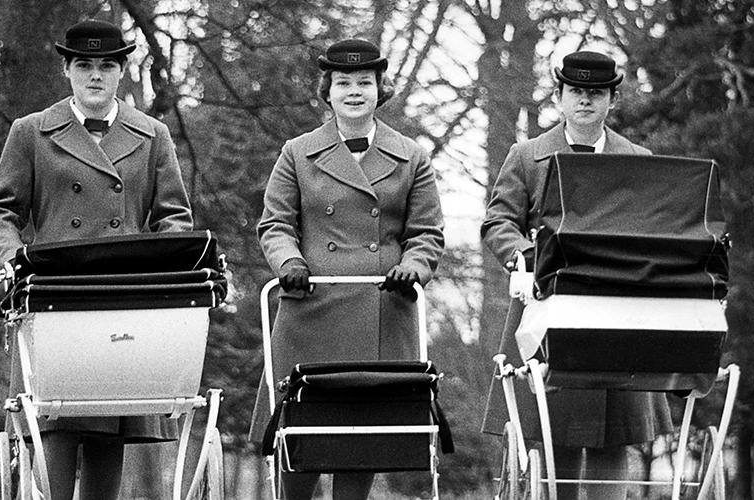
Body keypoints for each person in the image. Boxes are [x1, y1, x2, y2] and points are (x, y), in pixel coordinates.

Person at [0, 19, 193, 500]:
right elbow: (0, 213)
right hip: (53, 300)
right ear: (67, 70)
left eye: (107, 65)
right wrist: (17, 263)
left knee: (106, 437)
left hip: (120, 304)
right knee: (51, 438)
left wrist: (156, 269)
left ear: (121, 71)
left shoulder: (152, 135)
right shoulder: (31, 132)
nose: (95, 76)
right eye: (84, 65)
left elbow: (175, 219)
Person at [249, 39, 444, 500]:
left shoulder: (412, 156)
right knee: (299, 445)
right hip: (311, 308)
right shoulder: (297, 152)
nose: (354, 91)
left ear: (380, 89)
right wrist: (290, 262)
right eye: (343, 83)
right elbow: (275, 223)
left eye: (364, 82)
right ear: (328, 91)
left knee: (363, 444)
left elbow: (427, 234)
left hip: (380, 308)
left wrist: (412, 267)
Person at [480, 50, 674, 500]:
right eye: (575, 92)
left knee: (613, 436)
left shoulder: (637, 158)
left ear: (611, 100)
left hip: (617, 314)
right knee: (554, 436)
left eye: (595, 93)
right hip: (547, 308)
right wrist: (525, 258)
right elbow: (497, 222)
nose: (584, 101)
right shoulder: (528, 155)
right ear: (560, 97)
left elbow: (656, 232)